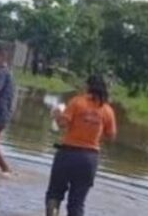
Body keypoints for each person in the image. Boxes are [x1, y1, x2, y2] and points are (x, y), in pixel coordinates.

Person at [46, 75, 117, 216]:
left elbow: (62, 124)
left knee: (54, 195)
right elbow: (111, 136)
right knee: (77, 203)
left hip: (67, 155)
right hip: (89, 159)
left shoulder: (77, 102)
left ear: (88, 86)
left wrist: (56, 115)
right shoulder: (107, 110)